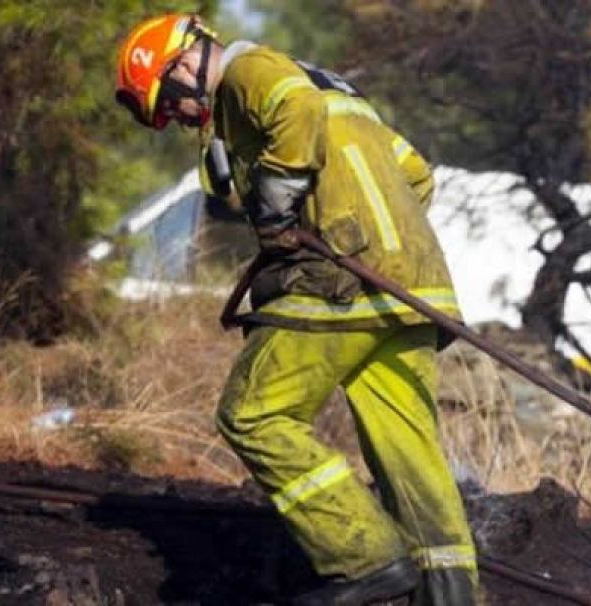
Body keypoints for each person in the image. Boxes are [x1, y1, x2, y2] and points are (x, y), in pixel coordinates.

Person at [115, 14, 479, 606]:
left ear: (183, 64)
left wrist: (280, 205)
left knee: (253, 414)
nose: (178, 118)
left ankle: (366, 560)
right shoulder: (341, 91)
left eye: (169, 104)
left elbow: (294, 113)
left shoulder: (247, 74)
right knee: (407, 449)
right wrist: (376, 229)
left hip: (340, 281)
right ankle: (452, 596)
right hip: (411, 287)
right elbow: (415, 173)